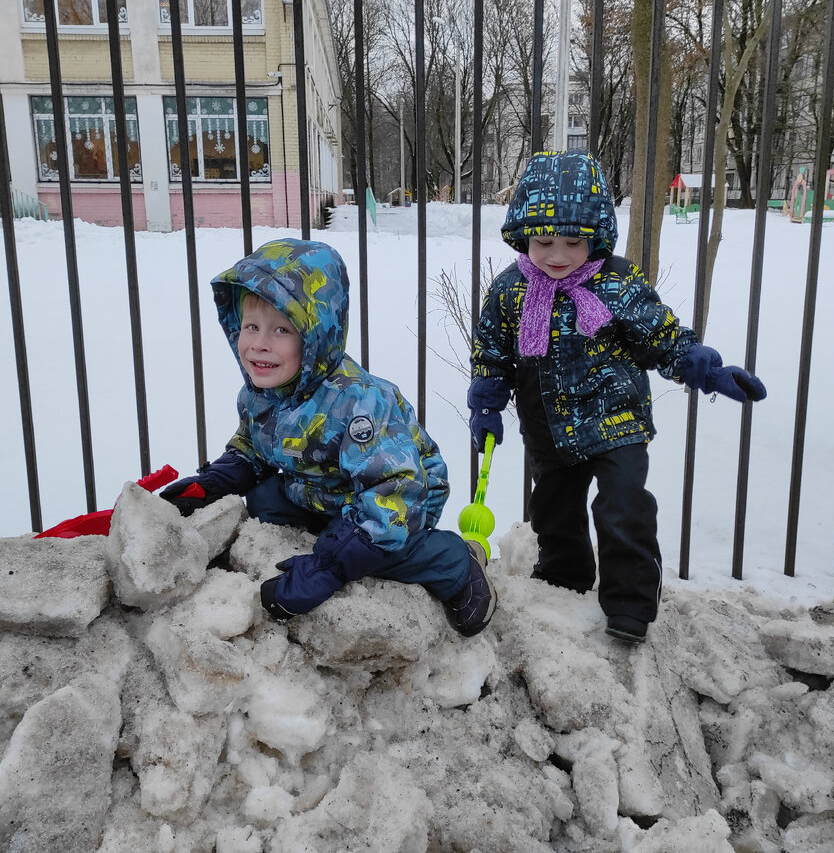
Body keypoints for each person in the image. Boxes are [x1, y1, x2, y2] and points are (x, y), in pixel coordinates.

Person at [468, 151, 765, 643]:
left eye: (573, 242)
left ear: (597, 237)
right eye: (544, 241)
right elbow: (492, 353)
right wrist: (486, 402)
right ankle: (563, 584)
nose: (557, 255)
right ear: (522, 236)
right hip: (548, 426)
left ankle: (631, 603)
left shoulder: (617, 283)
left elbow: (660, 337)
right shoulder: (509, 291)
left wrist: (705, 370)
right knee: (554, 513)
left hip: (615, 419)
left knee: (623, 506)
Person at [160, 238, 496, 637]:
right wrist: (216, 482)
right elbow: (255, 445)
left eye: (281, 329)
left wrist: (328, 568)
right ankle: (335, 539)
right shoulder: (261, 392)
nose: (259, 344)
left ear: (315, 336)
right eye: (251, 326)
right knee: (264, 498)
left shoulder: (357, 403)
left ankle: (454, 562)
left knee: (378, 550)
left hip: (399, 498)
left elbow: (395, 491)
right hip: (322, 490)